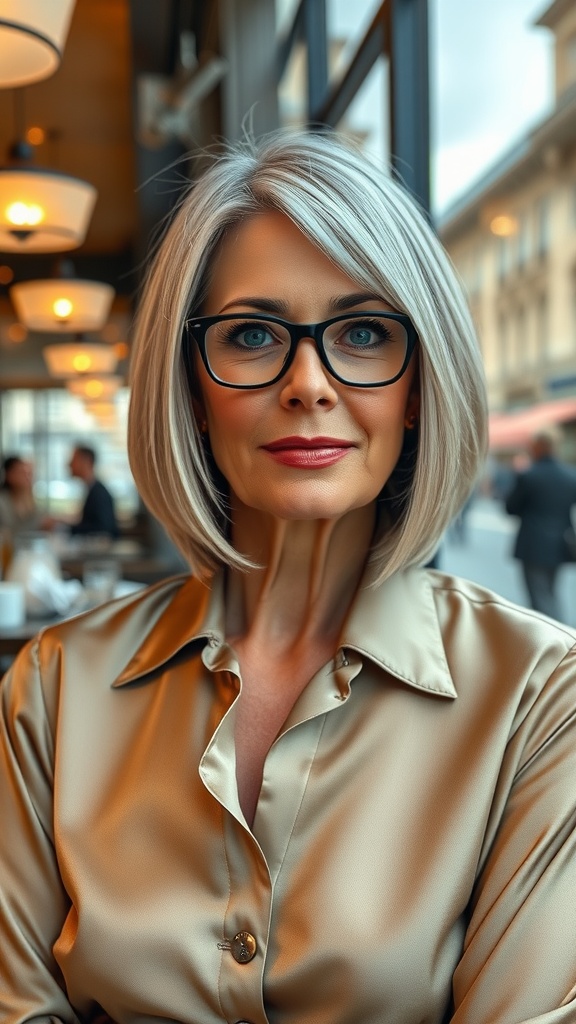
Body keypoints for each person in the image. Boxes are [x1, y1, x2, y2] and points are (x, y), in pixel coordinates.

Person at [1, 130, 576, 1024]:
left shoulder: (543, 698)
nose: (309, 383)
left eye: (363, 332)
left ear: (418, 384)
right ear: (190, 386)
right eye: (253, 334)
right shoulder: (54, 687)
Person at [505, 425, 576, 620]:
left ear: (537, 446)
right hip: (561, 542)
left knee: (539, 597)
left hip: (533, 544)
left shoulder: (529, 475)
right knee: (550, 593)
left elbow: (510, 508)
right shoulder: (571, 476)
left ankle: (559, 641)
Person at [68, 444, 119, 539]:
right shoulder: (92, 490)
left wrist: (67, 528)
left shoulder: (99, 493)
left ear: (87, 461)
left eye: (74, 459)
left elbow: (102, 529)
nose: (69, 464)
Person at [0, 454, 44, 539]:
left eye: (28, 473)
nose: (27, 477)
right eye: (22, 473)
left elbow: (40, 519)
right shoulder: (2, 502)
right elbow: (8, 532)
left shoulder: (28, 498)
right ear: (9, 475)